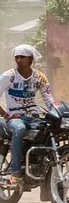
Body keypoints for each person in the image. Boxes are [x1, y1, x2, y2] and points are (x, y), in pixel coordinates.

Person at [1, 44, 57, 186]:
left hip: (33, 117)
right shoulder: (9, 76)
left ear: (31, 59)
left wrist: (62, 110)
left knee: (50, 131)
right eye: (17, 57)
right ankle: (15, 173)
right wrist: (7, 115)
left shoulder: (39, 77)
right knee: (19, 129)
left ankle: (51, 182)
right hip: (15, 117)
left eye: (22, 57)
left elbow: (48, 99)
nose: (19, 60)